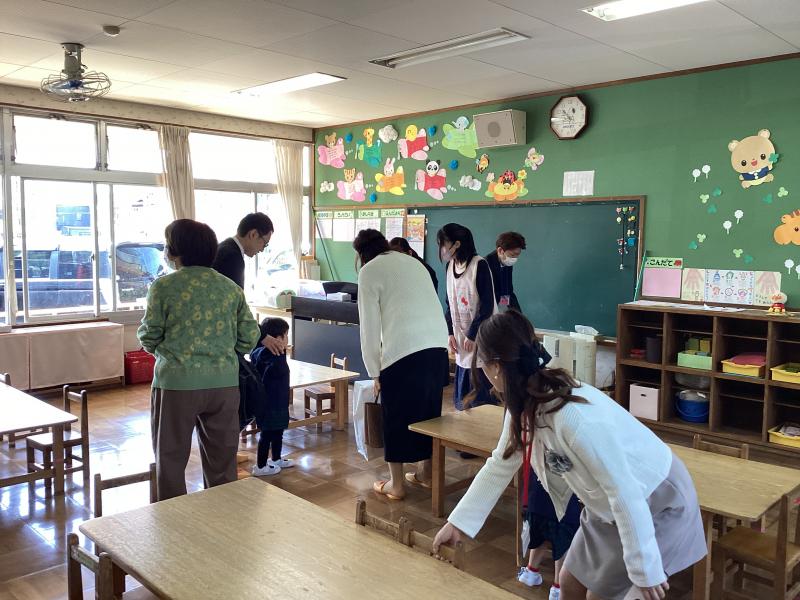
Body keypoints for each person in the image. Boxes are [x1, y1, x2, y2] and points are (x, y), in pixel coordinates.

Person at [432, 311, 706, 600]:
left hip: (655, 501)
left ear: (497, 367)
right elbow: (501, 463)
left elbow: (624, 490)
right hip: (609, 506)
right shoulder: (526, 401)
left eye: (483, 365)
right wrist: (458, 524)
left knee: (601, 596)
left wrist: (644, 568)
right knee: (569, 583)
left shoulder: (573, 417)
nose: (485, 375)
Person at [138, 219, 259, 501]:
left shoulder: (164, 287)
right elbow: (249, 336)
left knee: (170, 459)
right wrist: (224, 352)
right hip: (223, 384)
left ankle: (173, 519)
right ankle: (219, 515)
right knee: (222, 461)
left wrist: (166, 353)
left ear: (174, 251)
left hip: (176, 384)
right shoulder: (229, 288)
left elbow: (148, 335)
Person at [354, 229, 449, 501]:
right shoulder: (413, 262)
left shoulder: (369, 271)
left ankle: (396, 485)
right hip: (437, 347)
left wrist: (374, 372)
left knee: (395, 417)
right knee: (429, 415)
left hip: (403, 352)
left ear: (361, 254)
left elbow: (369, 329)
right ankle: (426, 474)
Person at [436, 223, 497, 411]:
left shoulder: (479, 265)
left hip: (480, 336)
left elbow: (487, 306)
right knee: (462, 397)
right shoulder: (450, 266)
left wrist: (472, 334)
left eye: (444, 244)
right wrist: (450, 333)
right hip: (460, 337)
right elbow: (449, 303)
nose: (442, 249)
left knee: (480, 395)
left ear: (457, 244)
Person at [212, 212, 284, 356]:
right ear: (253, 234)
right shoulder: (232, 256)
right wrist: (262, 336)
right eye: (264, 243)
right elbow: (235, 306)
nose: (262, 249)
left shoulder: (225, 247)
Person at [518, 473, 582, 600]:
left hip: (536, 501)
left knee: (540, 534)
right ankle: (557, 587)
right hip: (564, 507)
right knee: (563, 545)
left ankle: (531, 571)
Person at [249, 318, 293, 477]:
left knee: (277, 432)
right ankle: (260, 466)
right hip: (272, 403)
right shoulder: (274, 356)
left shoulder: (259, 352)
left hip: (274, 402)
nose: (287, 339)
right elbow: (271, 376)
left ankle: (276, 458)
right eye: (286, 335)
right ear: (277, 339)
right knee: (267, 435)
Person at [485, 231, 526, 312]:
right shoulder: (485, 265)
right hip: (489, 308)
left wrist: (516, 312)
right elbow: (486, 296)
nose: (514, 258)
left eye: (518, 255)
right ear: (500, 250)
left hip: (503, 303)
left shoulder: (506, 261)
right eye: (513, 255)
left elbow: (508, 289)